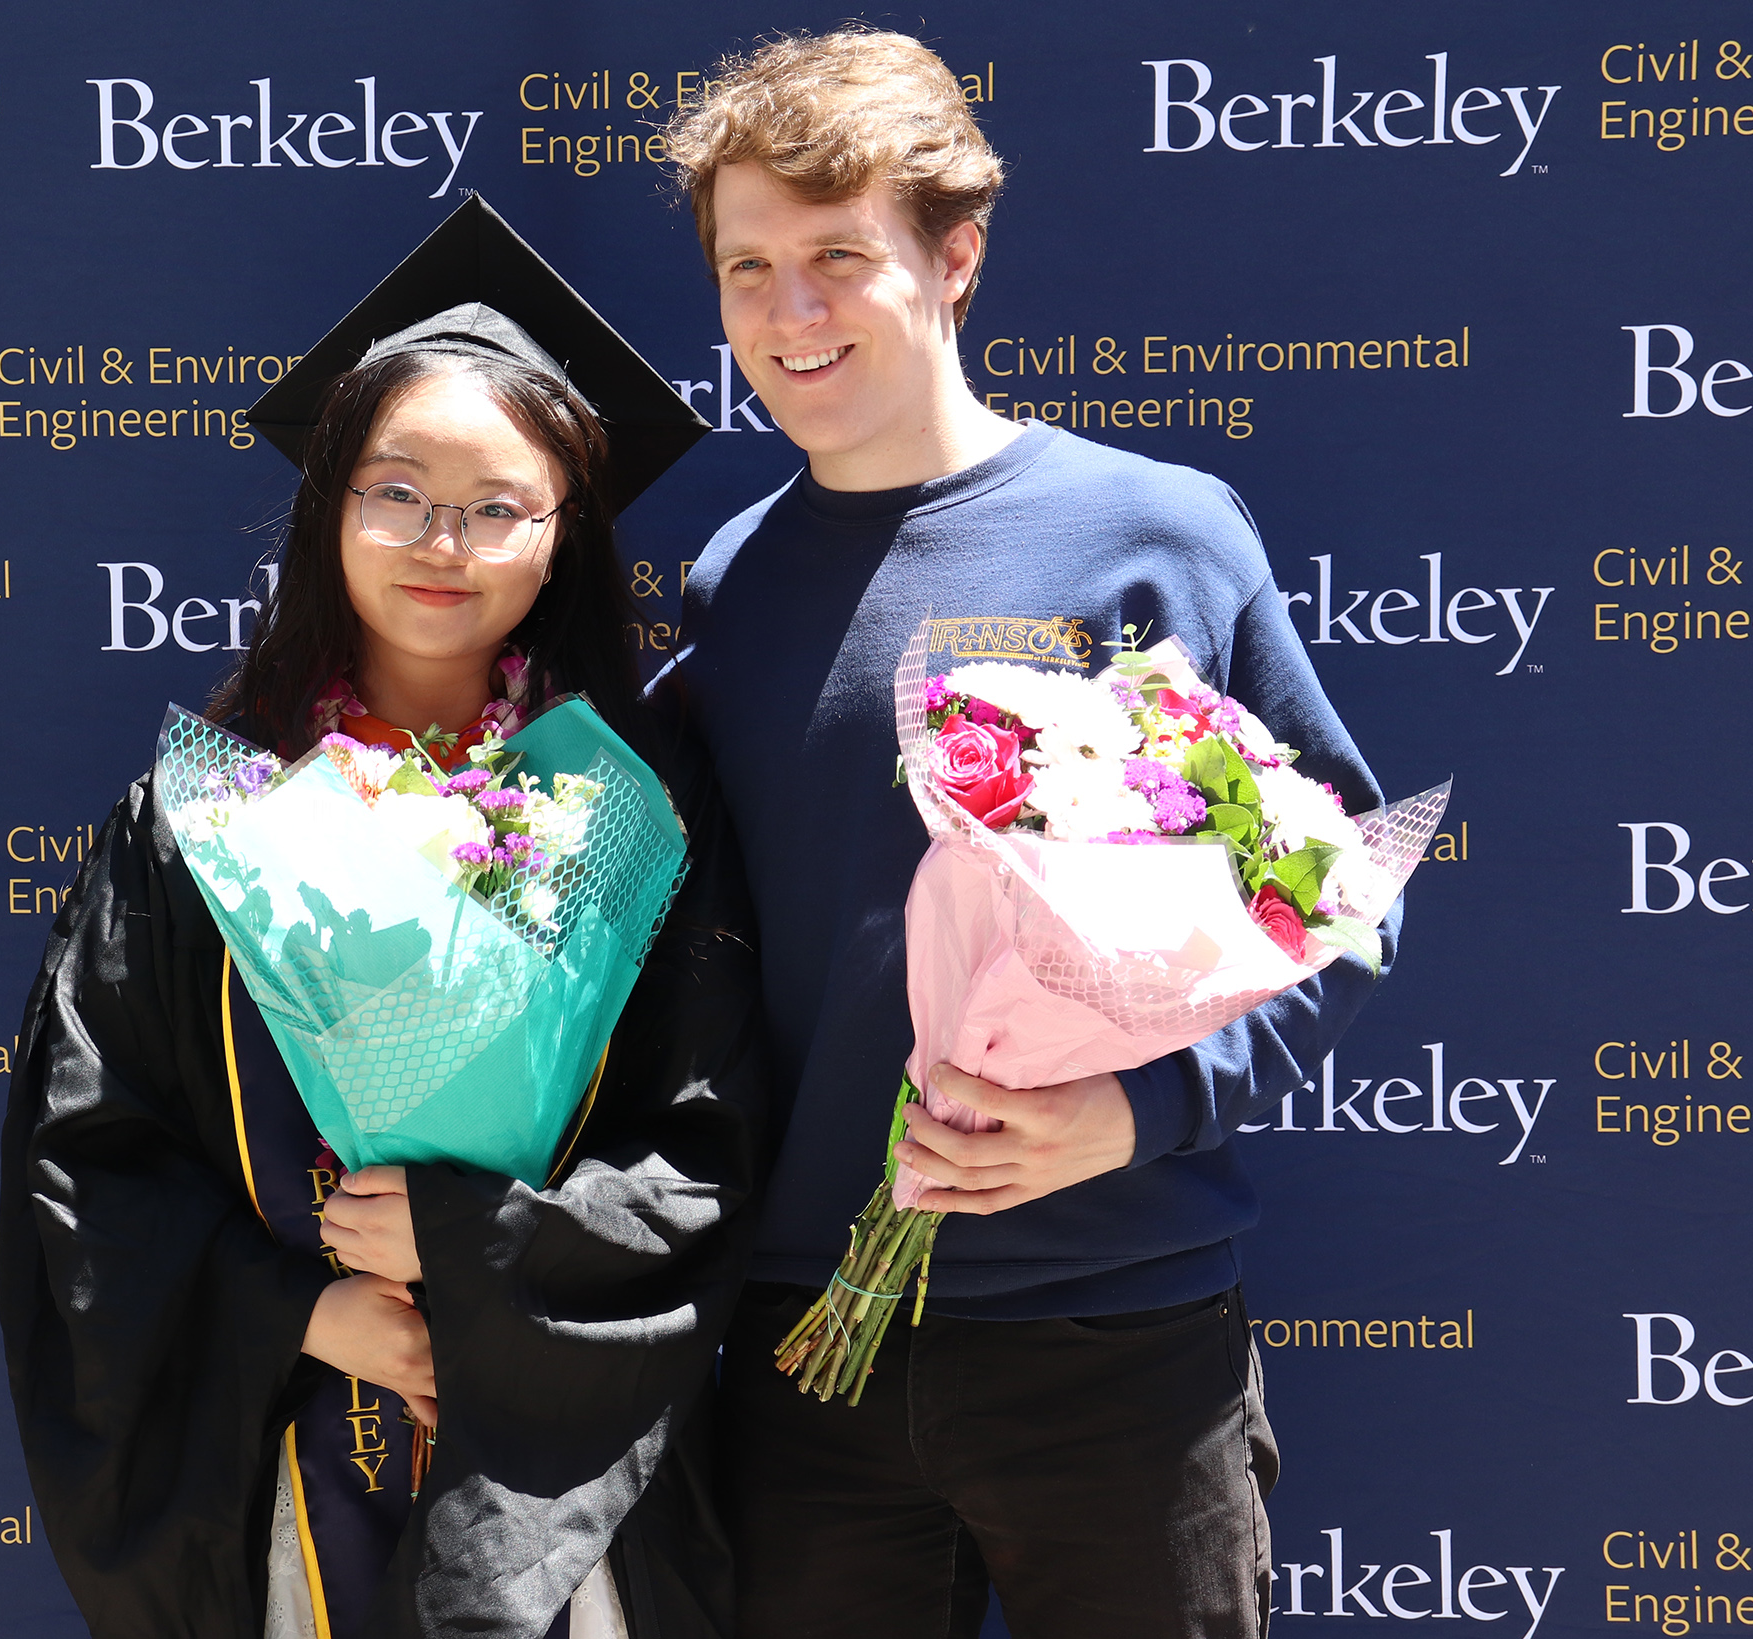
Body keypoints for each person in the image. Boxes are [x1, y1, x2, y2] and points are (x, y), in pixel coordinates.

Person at [651, 31, 1402, 1638]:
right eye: (749, 268)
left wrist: (1135, 1112)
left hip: (1118, 1352)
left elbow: (1346, 897)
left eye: (840, 256)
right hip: (805, 1355)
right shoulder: (732, 584)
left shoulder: (1159, 534)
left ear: (957, 257)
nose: (791, 315)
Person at [0, 198, 759, 1639]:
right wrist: (298, 1309)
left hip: (564, 1497)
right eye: (395, 491)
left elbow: (706, 1147)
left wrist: (478, 1251)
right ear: (329, 506)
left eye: (495, 508)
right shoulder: (203, 821)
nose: (440, 543)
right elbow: (84, 1163)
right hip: (287, 1452)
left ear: (563, 536)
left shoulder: (635, 819)